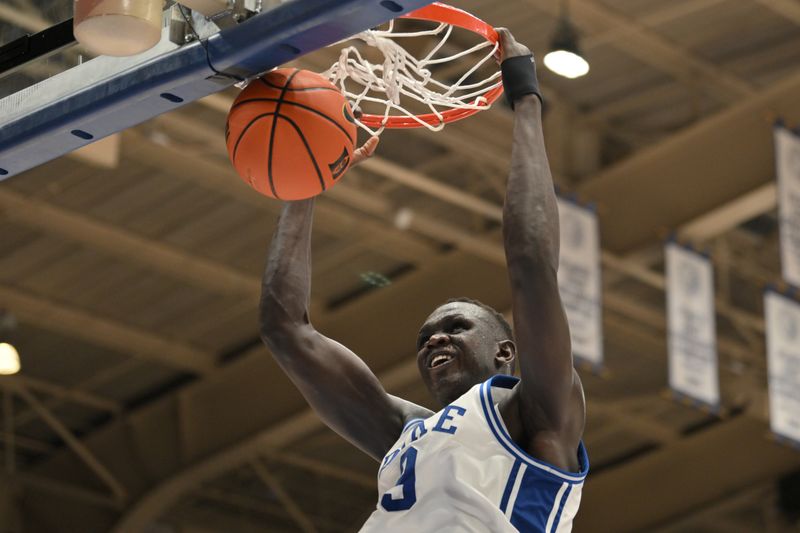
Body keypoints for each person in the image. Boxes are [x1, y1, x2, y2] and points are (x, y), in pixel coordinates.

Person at [259, 28, 587, 533]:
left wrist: (525, 96)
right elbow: (286, 329)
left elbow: (531, 264)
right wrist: (306, 183)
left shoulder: (537, 413)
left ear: (505, 352)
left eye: (456, 327)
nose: (434, 337)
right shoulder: (406, 432)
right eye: (425, 337)